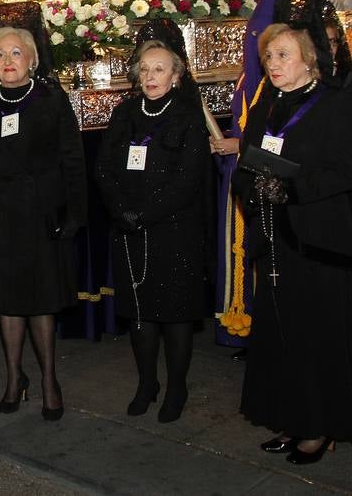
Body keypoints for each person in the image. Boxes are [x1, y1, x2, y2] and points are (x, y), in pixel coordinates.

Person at [234, 21, 352, 464]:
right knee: (283, 335)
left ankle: (320, 427)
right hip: (276, 239)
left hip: (318, 239)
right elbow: (247, 164)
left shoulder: (336, 103)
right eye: (268, 58)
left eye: (282, 55)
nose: (273, 65)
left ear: (309, 58)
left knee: (318, 338)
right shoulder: (266, 107)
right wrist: (254, 188)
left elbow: (345, 171)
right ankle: (292, 418)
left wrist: (291, 190)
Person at [0, 26, 87, 421]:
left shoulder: (52, 101)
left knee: (41, 301)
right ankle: (14, 378)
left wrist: (75, 214)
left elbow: (73, 160)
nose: (8, 61)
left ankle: (48, 380)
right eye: (0, 55)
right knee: (8, 303)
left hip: (42, 218)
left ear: (31, 59)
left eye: (15, 53)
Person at [97, 21, 210, 422]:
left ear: (176, 75)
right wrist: (120, 209)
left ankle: (176, 387)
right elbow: (105, 167)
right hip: (128, 231)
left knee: (175, 316)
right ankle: (147, 383)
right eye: (144, 70)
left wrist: (145, 214)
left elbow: (188, 180)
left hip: (175, 231)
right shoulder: (126, 112)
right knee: (140, 314)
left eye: (159, 69)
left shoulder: (187, 116)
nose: (150, 77)